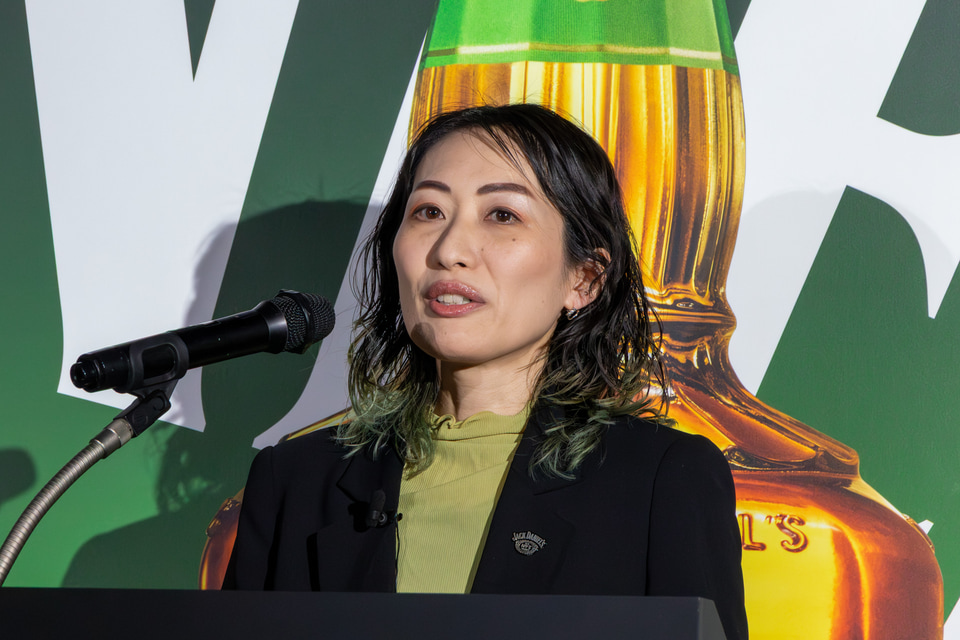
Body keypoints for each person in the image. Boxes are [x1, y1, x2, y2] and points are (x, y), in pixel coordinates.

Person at [223, 104, 748, 640]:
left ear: (584, 279)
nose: (449, 250)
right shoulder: (294, 480)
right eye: (428, 211)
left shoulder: (662, 480)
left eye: (502, 215)